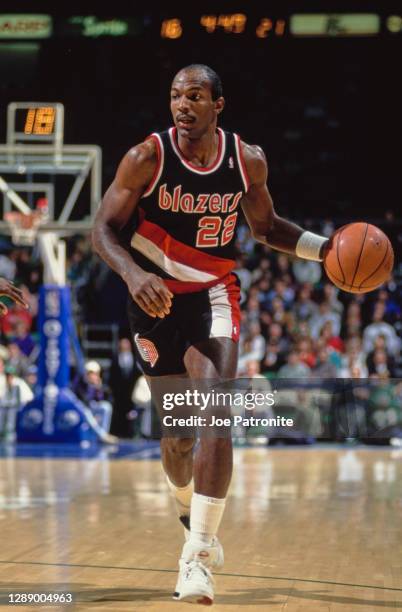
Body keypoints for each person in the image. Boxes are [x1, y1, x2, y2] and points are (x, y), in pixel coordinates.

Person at [92, 63, 330, 605]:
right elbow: (101, 230)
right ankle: (187, 510)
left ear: (218, 104)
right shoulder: (146, 158)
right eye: (176, 94)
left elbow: (267, 229)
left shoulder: (246, 161)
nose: (182, 104)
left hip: (212, 296)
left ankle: (197, 556)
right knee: (177, 438)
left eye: (195, 95)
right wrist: (133, 274)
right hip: (152, 300)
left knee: (214, 416)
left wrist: (327, 250)